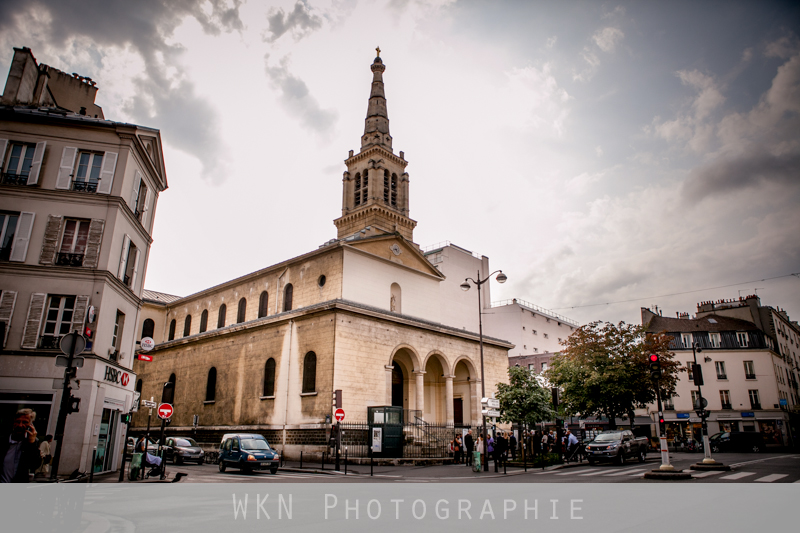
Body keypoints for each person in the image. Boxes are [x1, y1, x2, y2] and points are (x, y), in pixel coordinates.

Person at [1, 408, 42, 483]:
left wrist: (31, 443)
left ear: (31, 424)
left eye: (25, 422)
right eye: (18, 422)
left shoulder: (32, 442)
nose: (20, 425)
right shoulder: (4, 440)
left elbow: (34, 465)